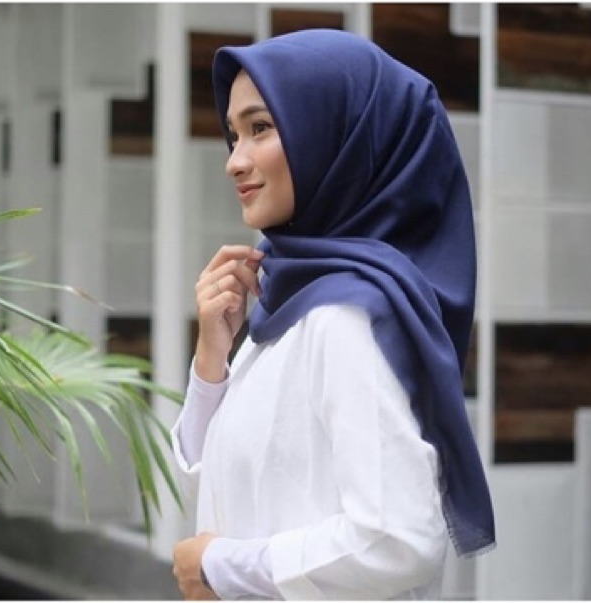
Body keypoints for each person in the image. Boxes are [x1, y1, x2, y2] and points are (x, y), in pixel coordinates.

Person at [171, 28, 495, 600]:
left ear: (335, 135)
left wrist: (225, 566)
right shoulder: (286, 301)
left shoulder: (347, 317)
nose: (235, 161)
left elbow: (398, 539)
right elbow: (221, 490)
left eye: (260, 128)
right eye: (233, 134)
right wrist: (210, 364)